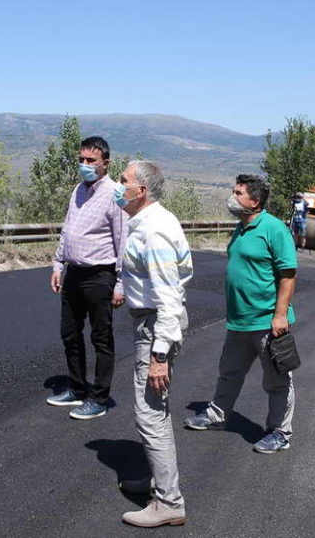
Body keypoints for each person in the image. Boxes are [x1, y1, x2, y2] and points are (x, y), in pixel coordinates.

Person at [184, 174, 296, 454]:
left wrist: (280, 315)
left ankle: (280, 432)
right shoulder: (241, 226)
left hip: (267, 321)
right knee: (229, 372)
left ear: (255, 201)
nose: (231, 198)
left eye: (238, 193)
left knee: (277, 380)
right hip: (239, 321)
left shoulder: (273, 229)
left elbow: (288, 275)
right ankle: (218, 415)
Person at [115, 160, 193, 528]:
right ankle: (158, 483)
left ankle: (168, 502)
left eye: (123, 180)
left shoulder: (155, 231)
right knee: (154, 412)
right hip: (150, 323)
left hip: (156, 328)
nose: (118, 186)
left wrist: (159, 354)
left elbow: (168, 298)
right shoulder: (147, 223)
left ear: (141, 190)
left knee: (150, 415)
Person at [46, 136, 127, 420]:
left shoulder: (116, 194)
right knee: (69, 333)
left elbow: (123, 240)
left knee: (101, 338)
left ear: (105, 163)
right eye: (81, 159)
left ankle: (99, 398)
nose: (84, 165)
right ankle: (77, 388)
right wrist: (58, 264)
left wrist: (120, 283)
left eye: (91, 161)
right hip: (74, 272)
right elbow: (67, 230)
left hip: (100, 275)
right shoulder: (78, 190)